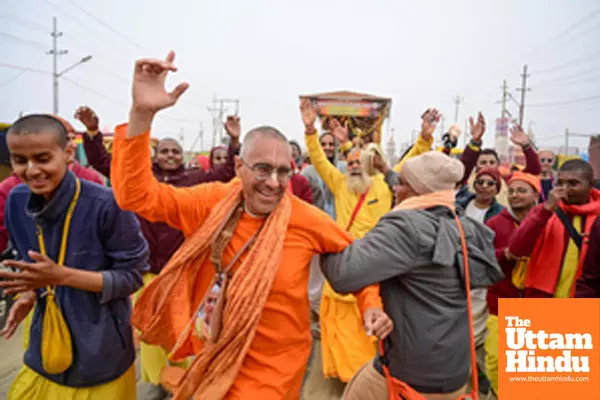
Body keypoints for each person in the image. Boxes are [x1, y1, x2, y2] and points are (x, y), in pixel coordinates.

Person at [110, 51, 391, 399]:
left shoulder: (305, 218)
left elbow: (358, 261)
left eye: (283, 171)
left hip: (275, 372)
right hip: (214, 355)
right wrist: (141, 115)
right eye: (262, 169)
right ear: (239, 166)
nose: (273, 183)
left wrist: (372, 306)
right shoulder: (212, 202)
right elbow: (135, 196)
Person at [76, 105, 238, 399]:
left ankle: (185, 376)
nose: (170, 156)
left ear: (183, 157)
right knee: (149, 329)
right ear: (155, 155)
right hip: (146, 269)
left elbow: (226, 173)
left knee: (183, 327)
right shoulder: (142, 180)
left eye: (175, 152)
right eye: (164, 151)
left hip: (181, 271)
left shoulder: (194, 180)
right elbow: (103, 162)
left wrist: (234, 142)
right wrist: (92, 133)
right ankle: (157, 380)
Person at [321, 150, 503, 400]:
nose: (395, 188)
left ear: (419, 190)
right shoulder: (463, 223)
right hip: (454, 372)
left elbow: (343, 275)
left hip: (411, 375)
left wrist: (322, 234)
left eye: (403, 183)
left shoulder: (406, 227)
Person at [0, 114, 148, 400]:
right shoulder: (16, 201)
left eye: (43, 158)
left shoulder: (108, 204)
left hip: (101, 350)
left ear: (68, 152)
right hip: (43, 344)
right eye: (20, 160)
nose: (31, 170)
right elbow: (30, 263)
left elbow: (131, 277)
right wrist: (29, 293)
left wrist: (62, 276)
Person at [301, 99, 393, 398]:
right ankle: (345, 379)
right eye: (349, 162)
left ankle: (364, 380)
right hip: (343, 267)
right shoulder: (339, 183)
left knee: (367, 332)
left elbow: (408, 171)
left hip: (374, 268)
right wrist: (310, 130)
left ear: (367, 165)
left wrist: (426, 138)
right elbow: (318, 159)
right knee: (338, 330)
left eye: (358, 163)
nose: (353, 166)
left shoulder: (383, 186)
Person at [0, 115, 103, 253]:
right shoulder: (12, 192)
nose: (72, 144)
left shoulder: (94, 184)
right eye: (20, 160)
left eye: (72, 138)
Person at [484, 172, 541, 397]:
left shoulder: (551, 222)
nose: (516, 195)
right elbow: (482, 256)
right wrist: (505, 254)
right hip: (500, 302)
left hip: (538, 302)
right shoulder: (494, 223)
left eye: (522, 191)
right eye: (513, 191)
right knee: (496, 360)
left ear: (536, 194)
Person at [508, 159, 600, 298]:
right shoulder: (544, 211)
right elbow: (516, 249)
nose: (565, 189)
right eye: (560, 183)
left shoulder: (597, 216)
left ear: (591, 185)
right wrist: (545, 211)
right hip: (542, 299)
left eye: (573, 183)